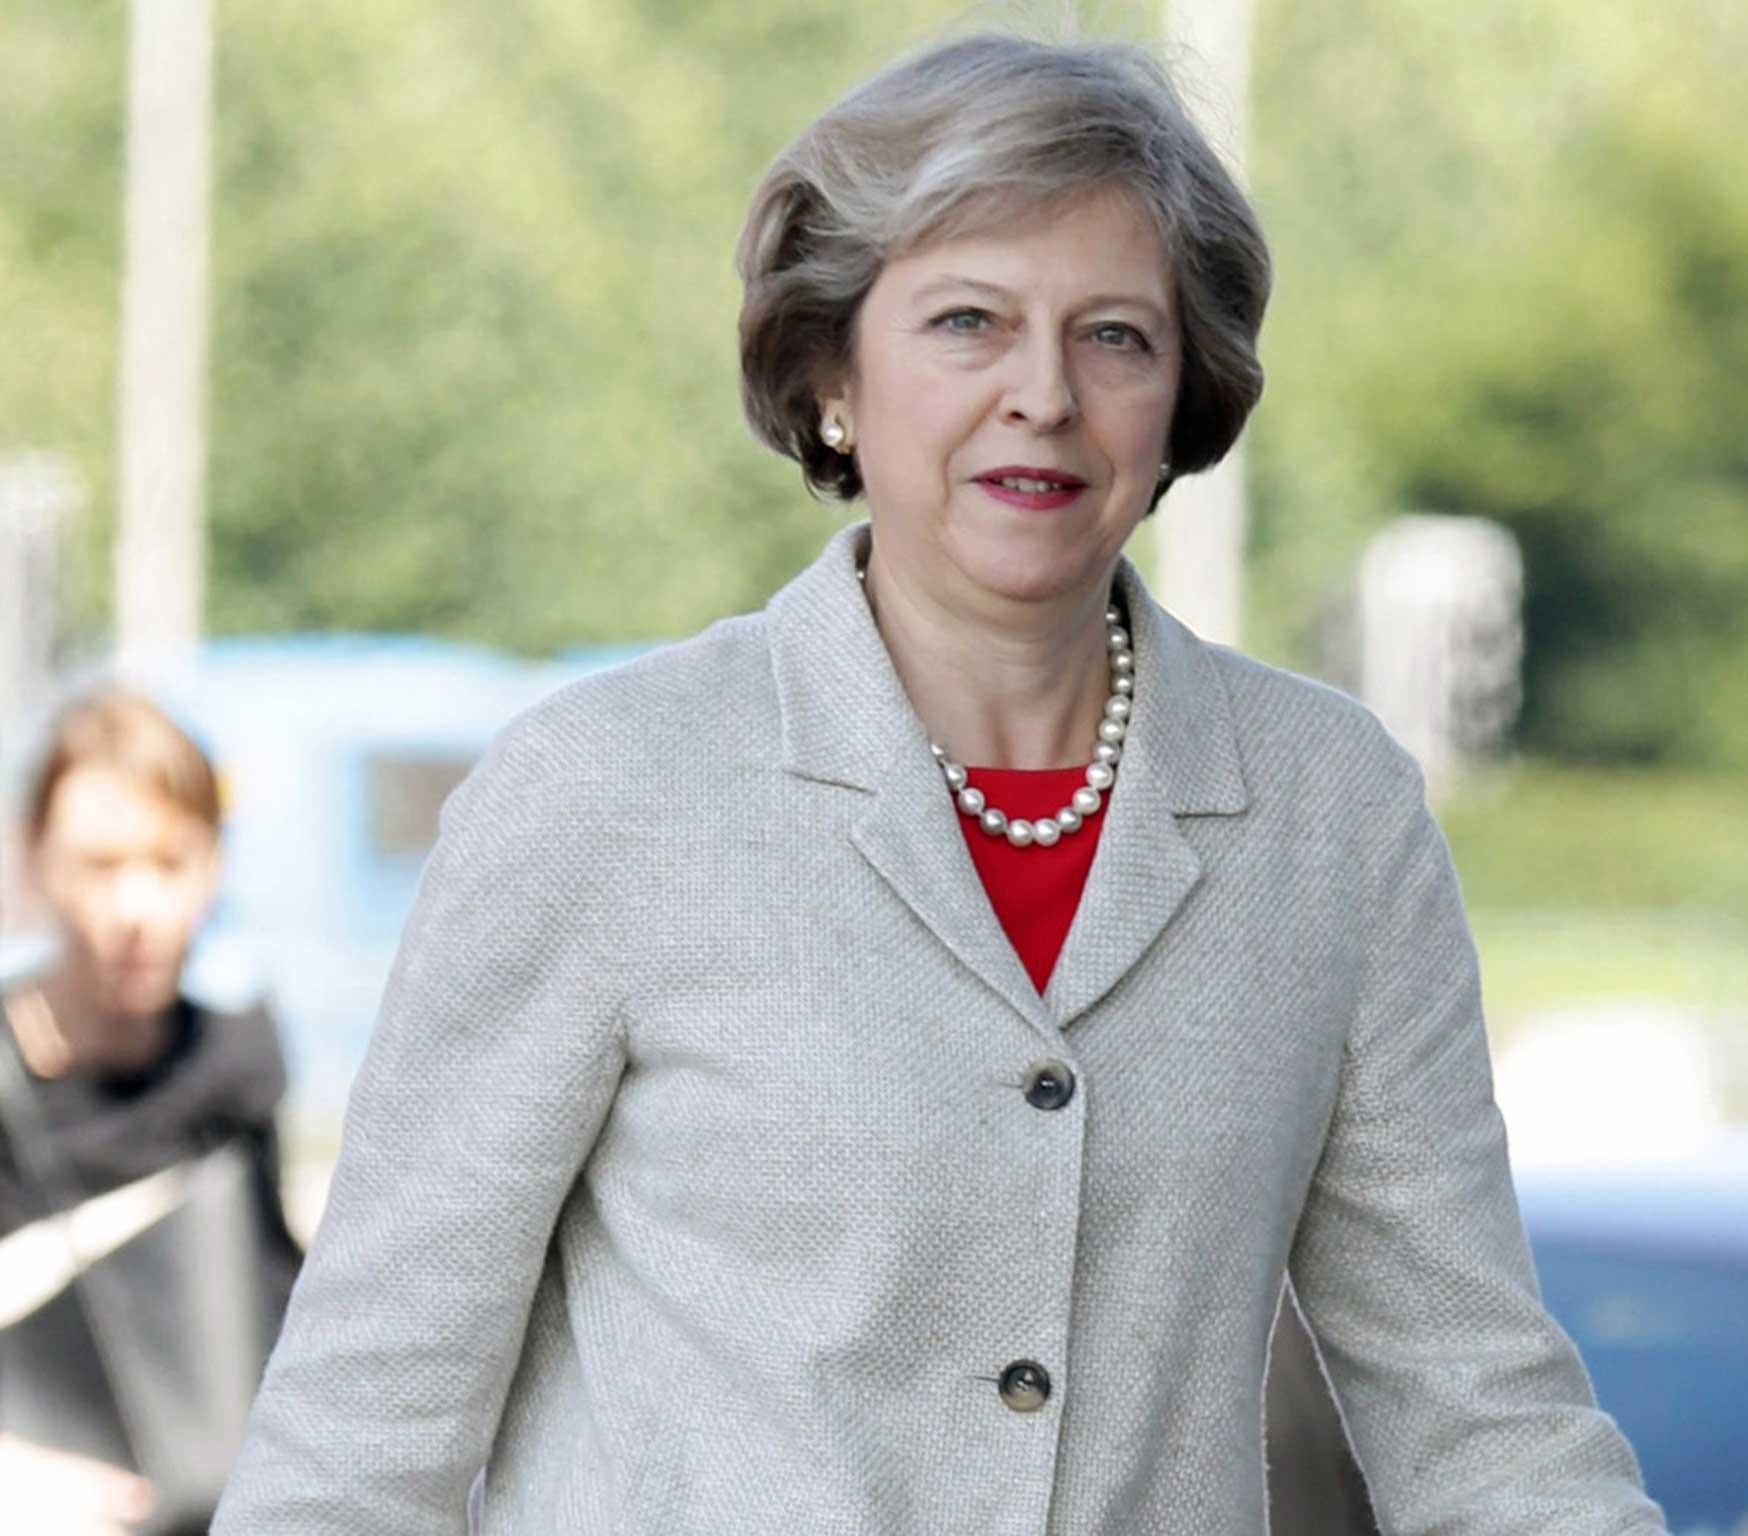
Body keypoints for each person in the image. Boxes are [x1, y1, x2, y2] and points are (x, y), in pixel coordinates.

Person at [215, 32, 1667, 1534]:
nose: (1042, 394)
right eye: (968, 322)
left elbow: (1482, 1416)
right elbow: (357, 1441)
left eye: (1114, 336)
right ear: (834, 373)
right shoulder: (605, 793)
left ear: (1181, 399)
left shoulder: (1329, 813)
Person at [1, 687, 301, 1535]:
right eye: (101, 864)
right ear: (35, 863)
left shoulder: (239, 1063)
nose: (137, 908)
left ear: (215, 864)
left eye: (170, 861)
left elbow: (279, 1308)